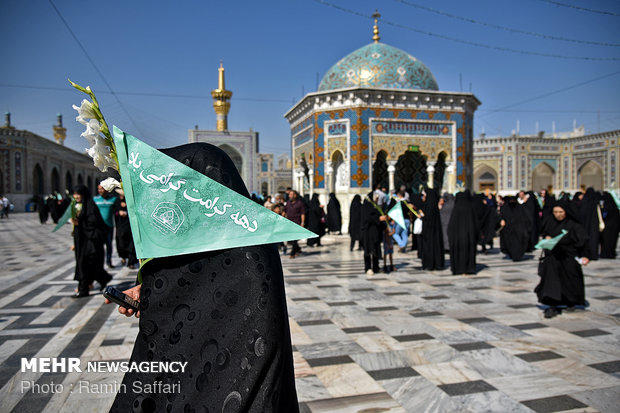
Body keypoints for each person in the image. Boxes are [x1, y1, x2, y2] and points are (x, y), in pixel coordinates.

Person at [106, 143, 299, 412]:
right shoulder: (206, 237)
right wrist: (147, 291)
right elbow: (192, 283)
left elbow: (219, 298)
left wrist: (160, 297)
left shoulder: (250, 255)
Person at [535, 199, 590, 318]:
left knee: (569, 280)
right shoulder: (550, 221)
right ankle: (552, 306)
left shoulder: (573, 224)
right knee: (551, 281)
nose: (558, 215)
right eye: (555, 212)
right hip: (553, 257)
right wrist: (547, 238)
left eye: (560, 212)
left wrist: (585, 256)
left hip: (568, 257)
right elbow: (544, 233)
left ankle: (569, 301)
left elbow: (583, 240)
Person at [71, 185, 112, 297]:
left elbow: (92, 224)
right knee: (86, 264)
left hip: (91, 242)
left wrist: (79, 223)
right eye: (74, 194)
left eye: (78, 194)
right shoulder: (77, 206)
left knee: (87, 264)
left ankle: (84, 289)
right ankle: (103, 279)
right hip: (82, 242)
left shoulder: (90, 206)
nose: (76, 196)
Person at [448, 191, 479, 275]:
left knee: (458, 253)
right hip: (469, 237)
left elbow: (450, 227)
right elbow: (476, 225)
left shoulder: (456, 209)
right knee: (469, 252)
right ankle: (469, 268)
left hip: (457, 239)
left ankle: (458, 268)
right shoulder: (471, 209)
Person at [361, 192, 386, 275]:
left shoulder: (375, 207)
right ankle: (368, 268)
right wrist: (378, 218)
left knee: (375, 250)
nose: (377, 199)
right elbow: (367, 217)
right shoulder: (366, 206)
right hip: (368, 232)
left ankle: (376, 267)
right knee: (368, 250)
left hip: (375, 232)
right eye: (376, 197)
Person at [420, 188, 445, 270]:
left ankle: (429, 264)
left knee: (429, 246)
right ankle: (437, 263)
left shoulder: (428, 206)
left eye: (424, 195)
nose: (423, 197)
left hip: (429, 232)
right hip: (435, 232)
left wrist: (422, 217)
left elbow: (427, 219)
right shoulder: (433, 206)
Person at [499, 196, 530, 261]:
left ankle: (517, 255)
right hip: (508, 229)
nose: (512, 203)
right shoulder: (505, 208)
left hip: (518, 229)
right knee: (509, 243)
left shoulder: (520, 208)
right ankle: (512, 254)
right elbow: (502, 216)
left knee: (518, 243)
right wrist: (502, 220)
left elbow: (525, 218)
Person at [93, 183, 118, 267]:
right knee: (98, 245)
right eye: (99, 189)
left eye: (102, 189)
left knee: (109, 245)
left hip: (109, 227)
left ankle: (108, 261)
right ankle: (99, 262)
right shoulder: (95, 200)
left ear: (107, 190)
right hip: (98, 227)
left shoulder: (113, 200)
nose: (100, 191)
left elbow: (118, 210)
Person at [113, 189, 138, 269]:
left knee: (131, 245)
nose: (121, 196)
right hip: (120, 226)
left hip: (130, 227)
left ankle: (131, 262)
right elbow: (114, 212)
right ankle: (123, 256)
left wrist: (127, 210)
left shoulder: (131, 201)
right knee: (121, 244)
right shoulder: (117, 201)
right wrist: (118, 212)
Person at [578, 188, 602, 260]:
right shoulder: (595, 202)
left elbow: (581, 214)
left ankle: (585, 253)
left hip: (584, 224)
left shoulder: (584, 201)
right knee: (593, 239)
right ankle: (593, 254)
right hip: (594, 224)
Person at [284, 190, 305, 258]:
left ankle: (292, 253)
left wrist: (302, 222)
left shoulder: (300, 203)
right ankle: (298, 249)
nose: (289, 196)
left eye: (291, 194)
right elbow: (285, 211)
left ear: (295, 195)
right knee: (291, 238)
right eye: (289, 194)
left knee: (294, 238)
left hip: (297, 222)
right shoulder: (288, 203)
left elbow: (302, 213)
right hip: (289, 222)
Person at [600, 191, 619, 259]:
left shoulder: (607, 207)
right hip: (614, 228)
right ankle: (611, 253)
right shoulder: (615, 207)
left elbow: (604, 215)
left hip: (607, 227)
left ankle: (605, 254)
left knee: (606, 241)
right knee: (612, 242)